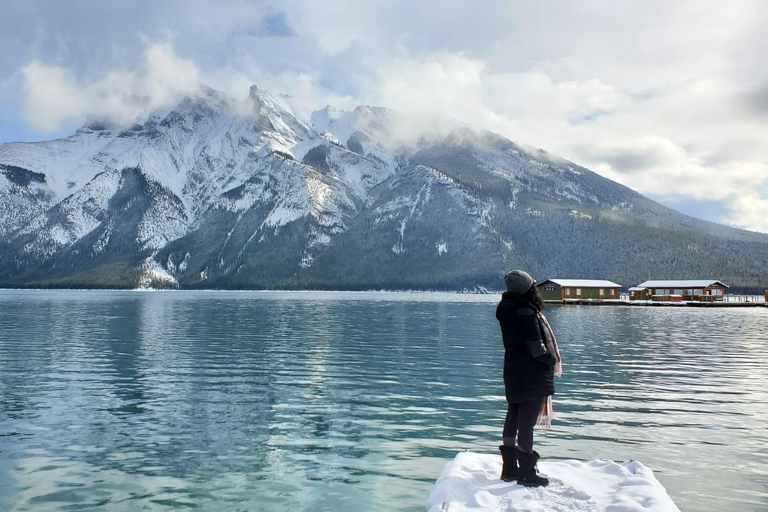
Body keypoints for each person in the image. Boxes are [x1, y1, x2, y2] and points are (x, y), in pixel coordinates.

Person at [496, 270, 561, 487]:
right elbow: (537, 349)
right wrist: (552, 360)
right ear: (527, 289)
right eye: (533, 285)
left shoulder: (507, 310)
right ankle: (526, 473)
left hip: (513, 368)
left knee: (513, 416)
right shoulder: (526, 312)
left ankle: (509, 469)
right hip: (531, 373)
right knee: (526, 424)